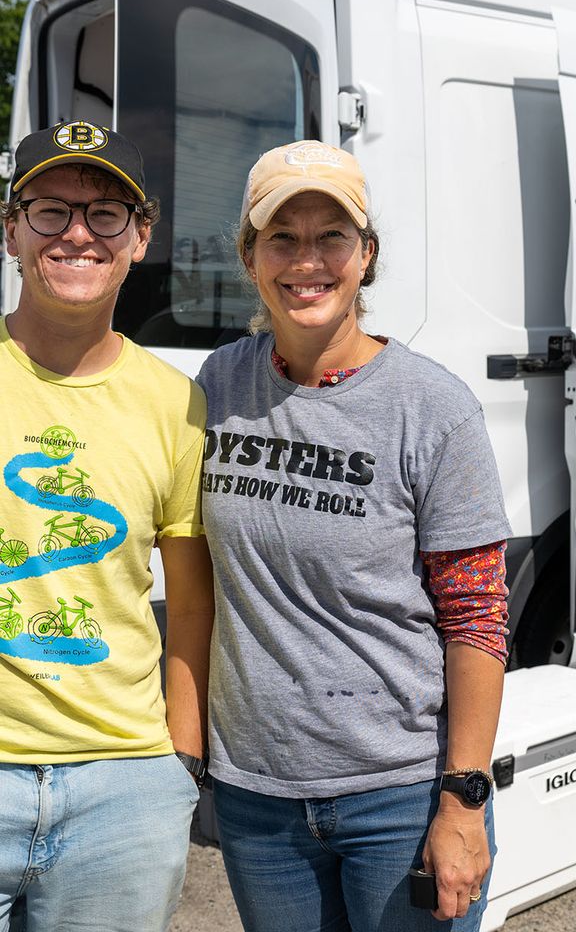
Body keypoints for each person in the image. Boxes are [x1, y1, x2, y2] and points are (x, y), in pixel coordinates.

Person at [196, 140, 512, 931]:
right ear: (250, 254)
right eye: (282, 236)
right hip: (257, 802)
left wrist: (463, 799)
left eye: (332, 236)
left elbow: (477, 615)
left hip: (399, 797)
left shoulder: (431, 408)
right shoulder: (219, 384)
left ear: (366, 256)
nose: (309, 260)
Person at [0, 120, 213, 932]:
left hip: (124, 789)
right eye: (50, 209)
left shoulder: (176, 401)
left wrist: (178, 765)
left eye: (107, 213)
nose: (78, 233)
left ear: (142, 236)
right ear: (11, 227)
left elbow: (191, 603)